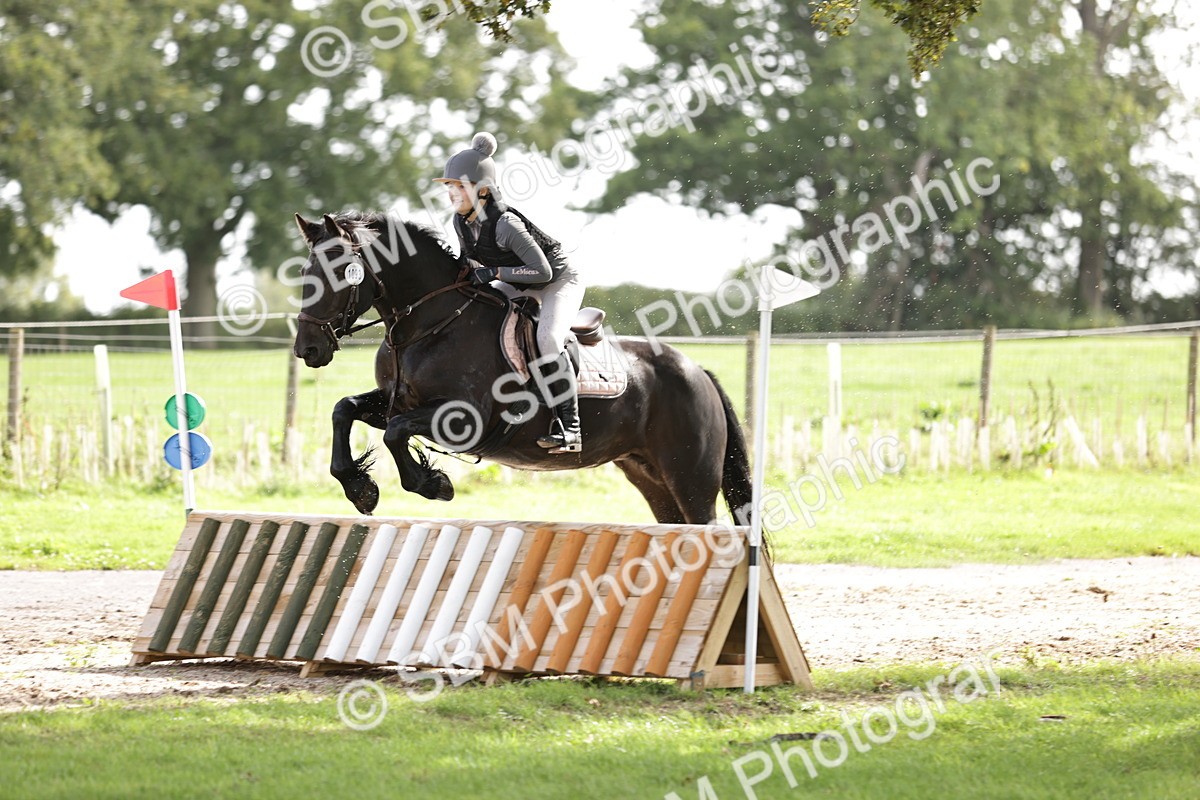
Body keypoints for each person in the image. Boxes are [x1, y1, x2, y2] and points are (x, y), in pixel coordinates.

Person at [434, 132, 585, 454]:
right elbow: (469, 262)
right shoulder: (461, 222)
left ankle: (571, 429)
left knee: (548, 339)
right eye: (449, 186)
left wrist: (495, 273)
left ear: (482, 190)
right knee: (483, 318)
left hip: (558, 280)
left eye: (460, 186)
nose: (452, 193)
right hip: (520, 282)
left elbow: (542, 272)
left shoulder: (506, 224)